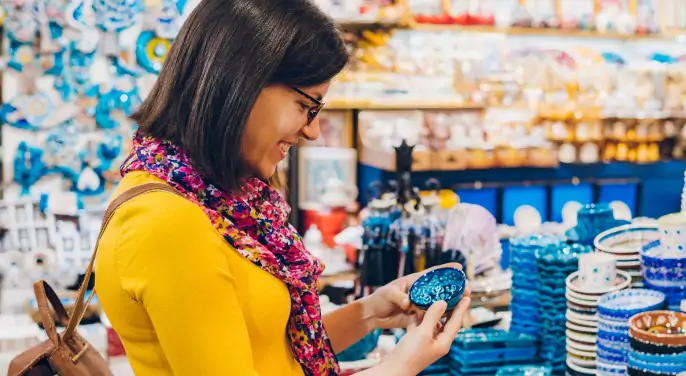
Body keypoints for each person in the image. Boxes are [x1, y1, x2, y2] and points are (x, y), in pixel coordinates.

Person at [94, 1, 471, 375]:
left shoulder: (216, 197)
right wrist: (402, 365)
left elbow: (271, 349)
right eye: (306, 105)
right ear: (240, 82)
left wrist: (370, 312)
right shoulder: (169, 224)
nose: (313, 130)